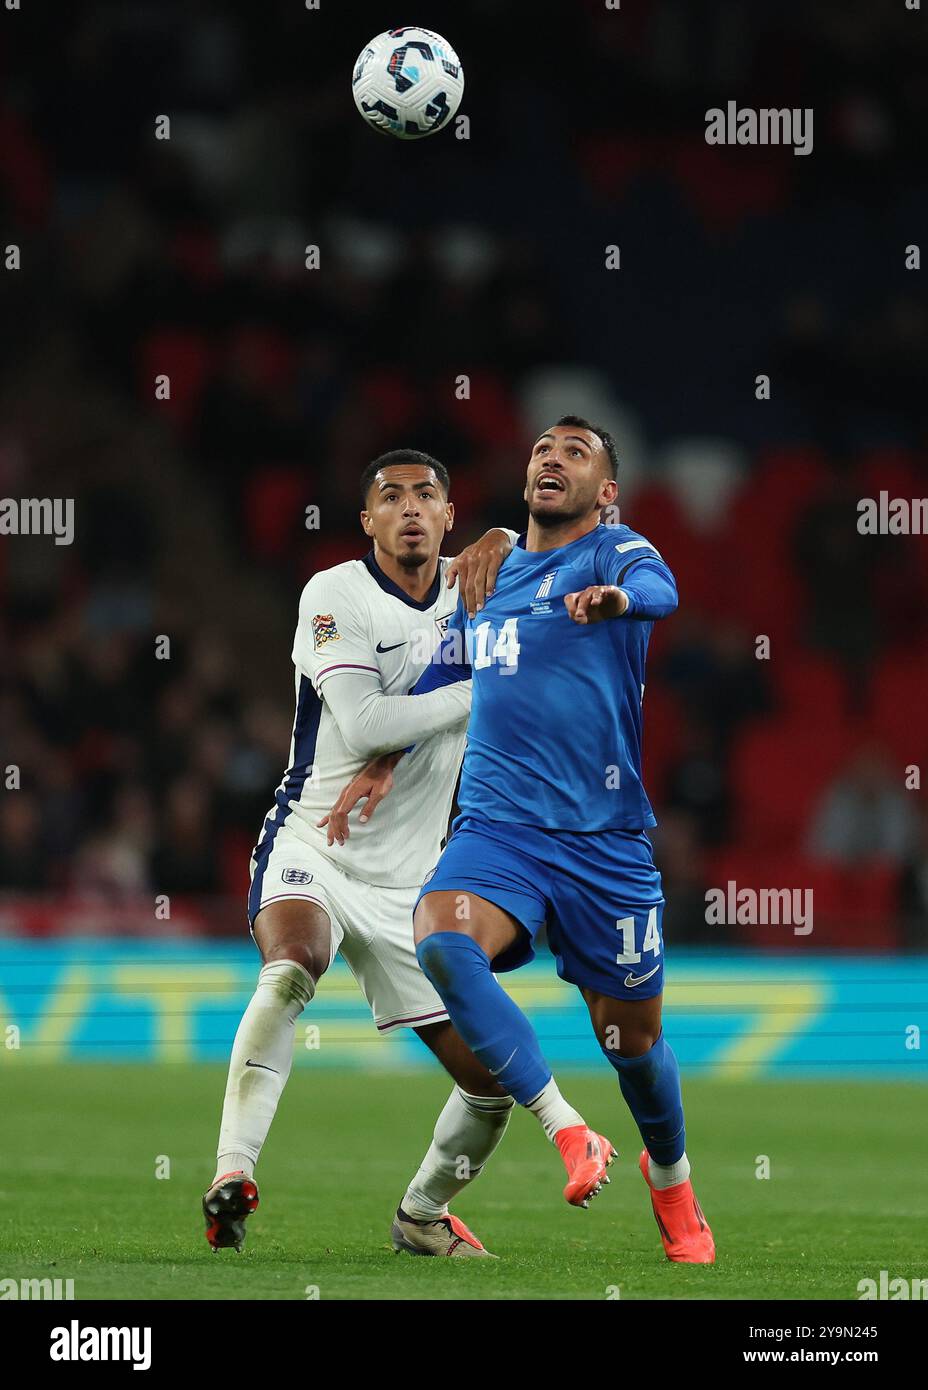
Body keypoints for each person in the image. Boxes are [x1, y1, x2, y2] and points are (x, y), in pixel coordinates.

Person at [326, 417, 715, 1263]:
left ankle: (673, 1181)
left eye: (577, 453)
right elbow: (442, 676)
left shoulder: (613, 554)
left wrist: (619, 599)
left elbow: (663, 587)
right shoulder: (486, 576)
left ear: (606, 491)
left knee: (634, 1042)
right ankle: (568, 1130)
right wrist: (383, 762)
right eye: (543, 447)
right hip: (499, 831)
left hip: (604, 843)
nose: (552, 457)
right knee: (440, 936)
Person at [203, 446, 605, 1260]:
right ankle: (231, 1174)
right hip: (316, 841)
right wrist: (490, 685)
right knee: (293, 966)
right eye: (391, 497)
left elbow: (559, 571)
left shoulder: (480, 584)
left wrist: (503, 537)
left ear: (451, 517)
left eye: (428, 495)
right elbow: (365, 726)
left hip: (413, 881)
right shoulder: (335, 595)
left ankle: (421, 1216)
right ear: (368, 521)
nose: (411, 508)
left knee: (488, 1081)